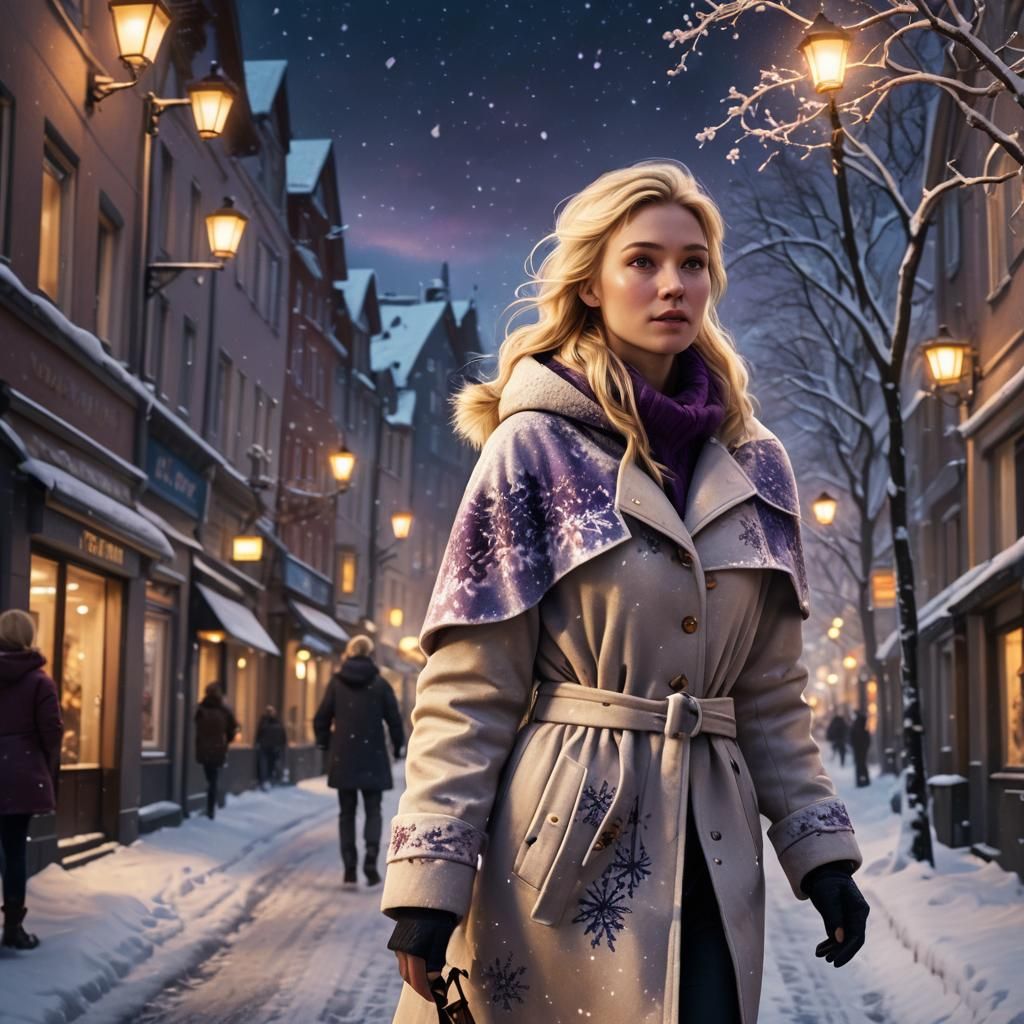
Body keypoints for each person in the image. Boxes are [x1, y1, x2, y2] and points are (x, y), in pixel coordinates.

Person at [382, 161, 869, 1024]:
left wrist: (821, 855)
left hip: (717, 851)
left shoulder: (760, 470)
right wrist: (430, 880)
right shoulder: (532, 450)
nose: (672, 284)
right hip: (563, 839)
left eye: (693, 263)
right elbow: (470, 689)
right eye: (642, 261)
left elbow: (770, 694)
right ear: (592, 284)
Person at [314, 636, 404, 887]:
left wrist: (325, 744)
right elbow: (394, 719)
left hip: (344, 756)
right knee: (373, 811)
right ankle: (371, 860)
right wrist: (398, 746)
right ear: (371, 653)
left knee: (347, 813)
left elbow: (321, 718)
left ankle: (350, 867)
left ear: (349, 653)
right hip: (373, 755)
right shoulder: (380, 684)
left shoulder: (336, 683)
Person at [0, 609, 63, 950]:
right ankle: (12, 927)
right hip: (21, 773)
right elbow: (52, 733)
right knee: (14, 849)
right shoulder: (39, 681)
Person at [194, 682, 238, 819]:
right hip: (218, 747)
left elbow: (196, 724)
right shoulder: (224, 710)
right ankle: (211, 807)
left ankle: (210, 806)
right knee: (214, 777)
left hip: (204, 747)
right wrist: (226, 741)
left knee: (209, 776)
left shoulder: (201, 708)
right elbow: (233, 728)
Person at [255, 705, 288, 789]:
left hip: (267, 746)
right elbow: (283, 735)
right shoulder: (277, 722)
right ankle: (269, 779)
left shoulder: (265, 722)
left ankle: (266, 780)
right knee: (270, 764)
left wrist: (257, 742)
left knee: (265, 764)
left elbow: (259, 733)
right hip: (273, 746)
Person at [850, 710, 872, 788]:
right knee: (862, 764)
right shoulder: (862, 724)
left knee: (859, 764)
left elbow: (852, 736)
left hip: (858, 747)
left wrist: (853, 744)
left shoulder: (857, 724)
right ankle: (865, 780)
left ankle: (860, 781)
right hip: (861, 747)